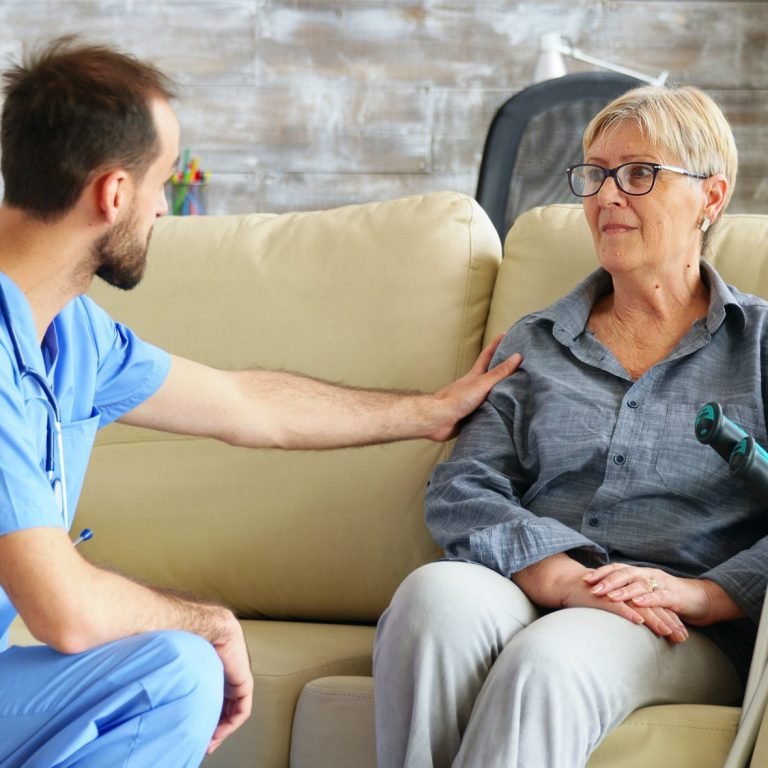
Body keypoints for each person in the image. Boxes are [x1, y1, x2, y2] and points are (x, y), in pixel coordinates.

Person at [0, 37, 520, 768]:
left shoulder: (72, 332)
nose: (161, 206)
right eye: (162, 181)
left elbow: (250, 405)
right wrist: (208, 622)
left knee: (177, 669)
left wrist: (425, 413)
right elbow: (65, 613)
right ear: (113, 193)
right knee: (175, 671)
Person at [374, 83, 768, 767]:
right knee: (430, 599)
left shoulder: (760, 345)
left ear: (710, 196)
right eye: (595, 175)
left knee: (546, 663)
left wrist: (705, 594)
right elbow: (463, 487)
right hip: (535, 582)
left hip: (676, 623)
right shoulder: (539, 341)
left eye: (639, 174)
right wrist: (557, 574)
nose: (607, 196)